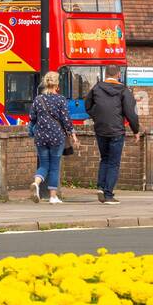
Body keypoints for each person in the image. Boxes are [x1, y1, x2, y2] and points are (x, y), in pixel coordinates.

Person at [84, 64, 142, 205]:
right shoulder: (123, 90)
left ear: (106, 75)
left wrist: (97, 116)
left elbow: (87, 105)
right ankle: (108, 194)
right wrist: (136, 130)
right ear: (118, 75)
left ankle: (100, 187)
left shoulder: (97, 88)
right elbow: (131, 113)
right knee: (113, 163)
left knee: (104, 159)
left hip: (101, 129)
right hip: (116, 130)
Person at [29, 71, 73, 205]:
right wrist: (72, 133)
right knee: (54, 167)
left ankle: (36, 183)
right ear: (57, 84)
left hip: (41, 137)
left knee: (44, 165)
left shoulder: (38, 99)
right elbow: (65, 120)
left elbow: (32, 118)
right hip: (56, 137)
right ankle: (53, 197)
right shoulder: (60, 99)